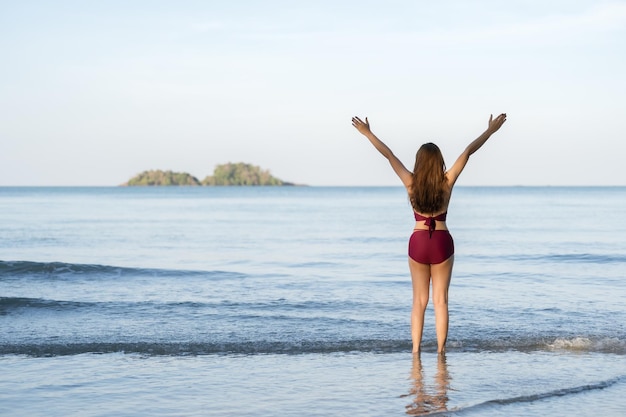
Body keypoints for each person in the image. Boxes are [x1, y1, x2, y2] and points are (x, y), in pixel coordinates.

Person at [351, 113, 507, 354]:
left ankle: (415, 352)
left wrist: (368, 133)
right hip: (442, 241)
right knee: (441, 301)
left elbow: (389, 155)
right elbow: (467, 152)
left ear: (419, 162)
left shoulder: (411, 182)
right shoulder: (447, 181)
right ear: (439, 162)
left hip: (418, 241)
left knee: (419, 302)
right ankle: (441, 353)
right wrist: (490, 131)